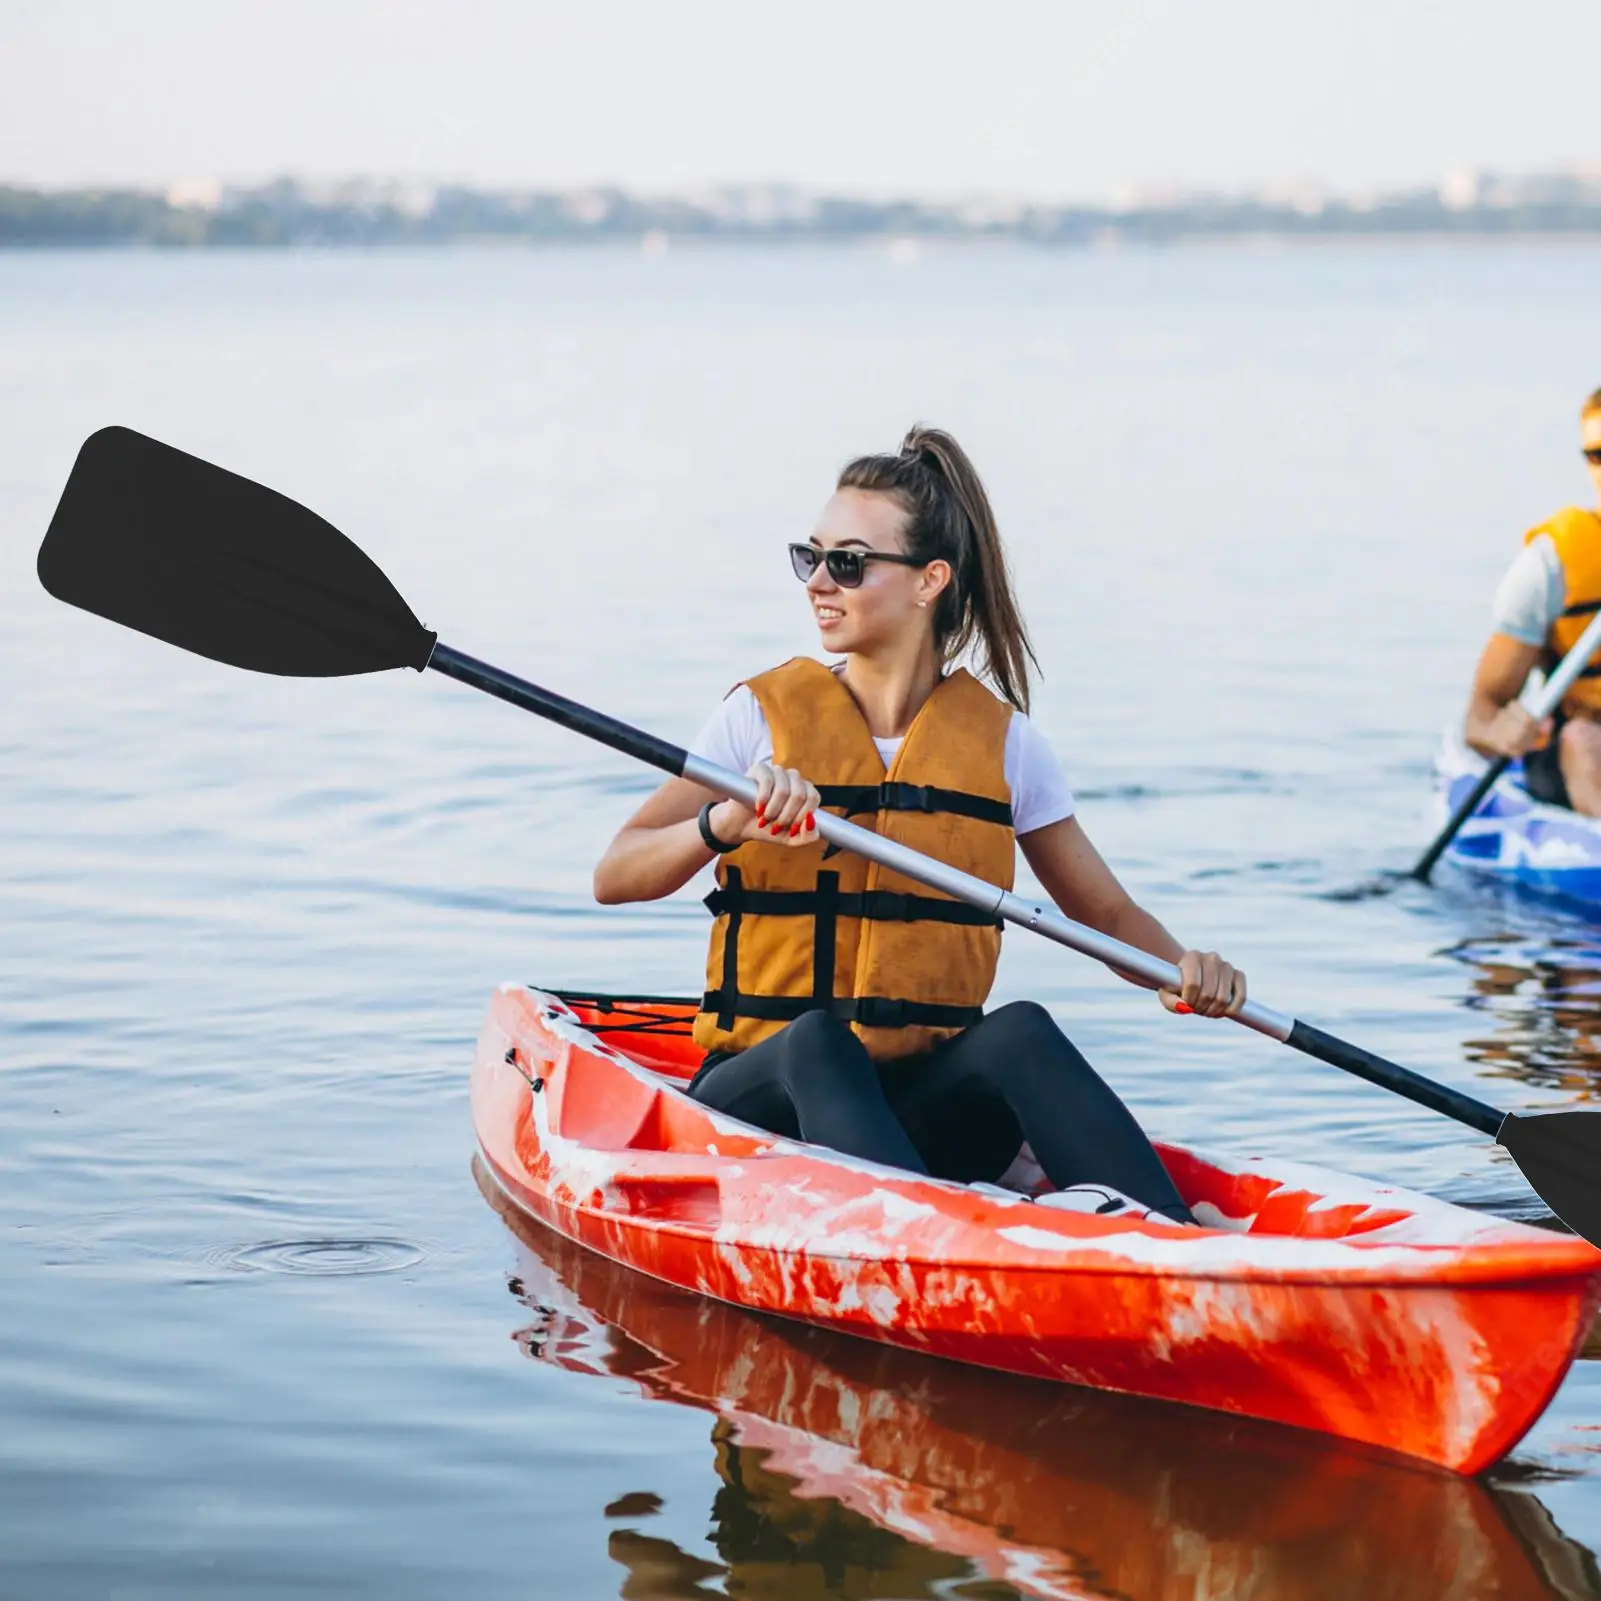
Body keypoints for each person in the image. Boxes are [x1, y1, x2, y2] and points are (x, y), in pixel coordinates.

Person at [593, 425, 1246, 1224]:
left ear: (929, 579)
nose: (817, 582)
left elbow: (1105, 914)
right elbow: (614, 873)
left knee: (1019, 1032)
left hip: (919, 1113)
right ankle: (922, 1237)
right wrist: (725, 823)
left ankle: (1176, 1243)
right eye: (809, 557)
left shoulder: (1006, 746)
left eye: (847, 563)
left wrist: (1185, 970)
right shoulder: (755, 720)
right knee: (818, 1040)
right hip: (762, 1105)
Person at [1463, 387, 1601, 813]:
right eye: (1598, 455)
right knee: (1583, 739)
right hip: (1581, 752)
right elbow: (1479, 720)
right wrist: (1502, 733)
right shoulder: (1550, 567)